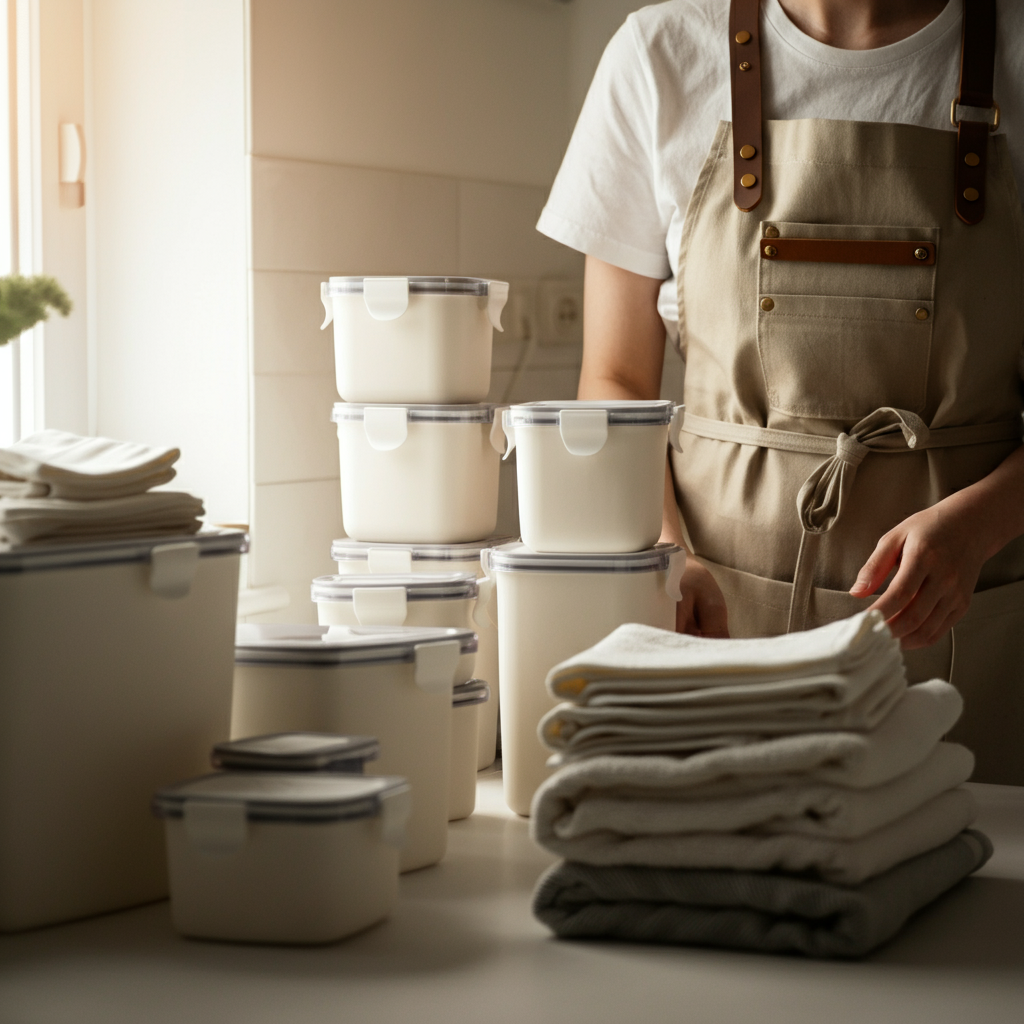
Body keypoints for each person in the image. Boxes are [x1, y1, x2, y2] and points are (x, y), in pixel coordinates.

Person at [537, 0, 1024, 784]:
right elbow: (616, 381)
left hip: (966, 631)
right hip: (719, 633)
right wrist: (666, 559)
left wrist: (976, 530)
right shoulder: (660, 55)